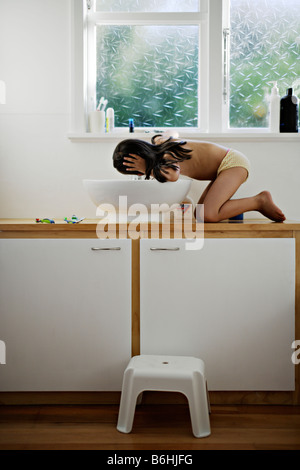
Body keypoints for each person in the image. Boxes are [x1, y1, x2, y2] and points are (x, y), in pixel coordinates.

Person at [112, 134, 286, 222]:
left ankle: (259, 201)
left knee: (209, 214)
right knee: (201, 215)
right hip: (222, 169)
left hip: (232, 163)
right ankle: (238, 209)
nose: (141, 175)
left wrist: (147, 168)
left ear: (141, 156)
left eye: (137, 171)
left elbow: (173, 176)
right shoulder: (161, 145)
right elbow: (169, 133)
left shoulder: (166, 154)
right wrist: (159, 137)